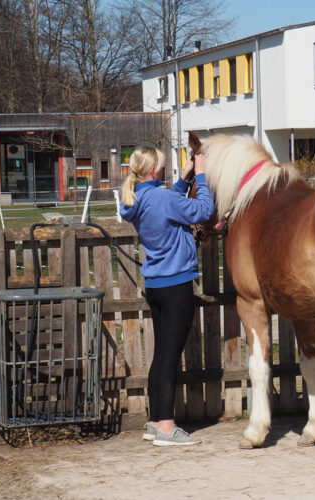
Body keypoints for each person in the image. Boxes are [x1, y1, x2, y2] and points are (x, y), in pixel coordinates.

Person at [119, 147, 214, 446]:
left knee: (161, 355)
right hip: (177, 285)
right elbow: (203, 210)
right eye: (163, 165)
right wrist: (200, 174)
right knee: (171, 358)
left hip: (156, 284)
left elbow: (169, 203)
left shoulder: (139, 198)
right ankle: (167, 428)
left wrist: (184, 179)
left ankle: (155, 420)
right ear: (155, 171)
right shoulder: (162, 198)